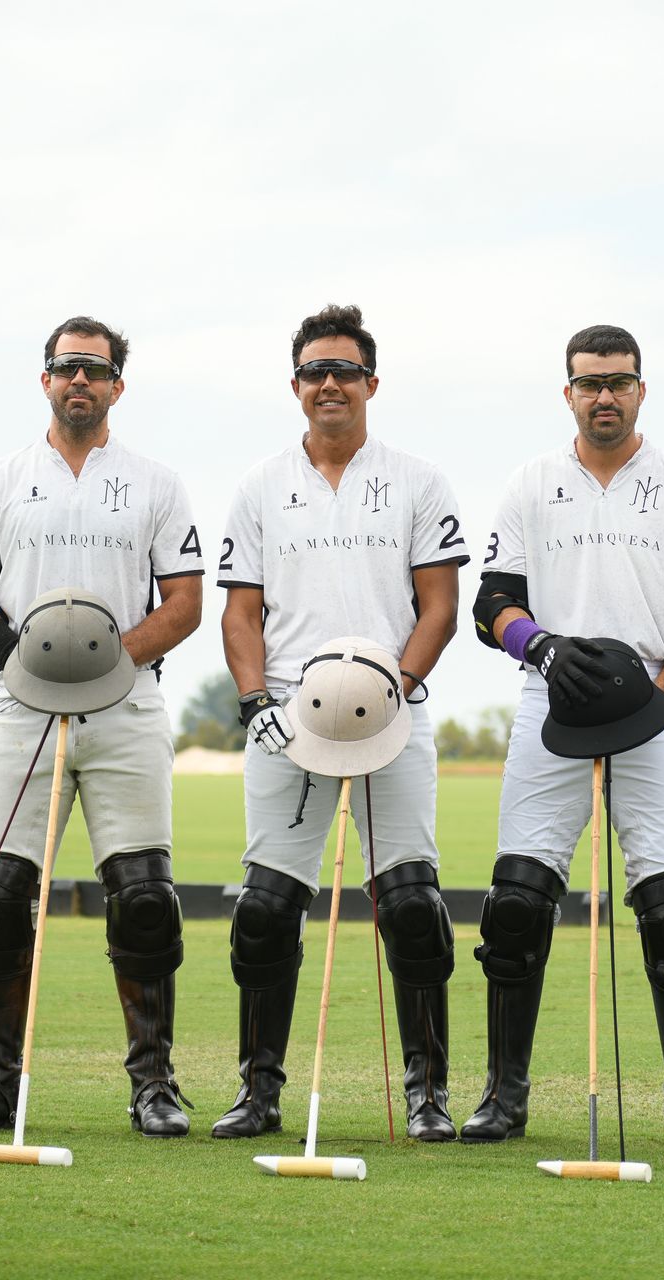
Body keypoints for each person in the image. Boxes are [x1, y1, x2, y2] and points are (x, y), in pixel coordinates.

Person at [465, 324, 664, 1148]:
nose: (604, 396)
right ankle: (504, 1093)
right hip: (550, 701)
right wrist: (542, 648)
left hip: (652, 704)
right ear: (569, 393)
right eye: (590, 383)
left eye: (619, 382)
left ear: (641, 390)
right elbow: (492, 603)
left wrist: (650, 696)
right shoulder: (531, 482)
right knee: (518, 899)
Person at [209, 304, 469, 1142]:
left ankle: (427, 1092)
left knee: (413, 904)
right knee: (264, 908)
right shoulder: (259, 486)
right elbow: (240, 613)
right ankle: (259, 1091)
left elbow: (439, 607)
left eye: (345, 371)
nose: (330, 383)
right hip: (291, 719)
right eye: (315, 371)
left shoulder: (419, 481)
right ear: (295, 386)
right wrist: (255, 699)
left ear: (371, 384)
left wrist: (398, 684)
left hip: (392, 715)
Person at [0, 316, 205, 1138]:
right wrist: (20, 658)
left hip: (127, 709)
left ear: (118, 385)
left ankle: (154, 1085)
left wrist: (109, 661)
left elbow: (186, 603)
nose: (79, 379)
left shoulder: (157, 483)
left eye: (94, 368)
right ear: (45, 381)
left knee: (146, 899)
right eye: (65, 367)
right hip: (21, 710)